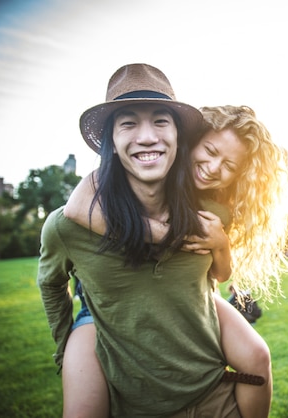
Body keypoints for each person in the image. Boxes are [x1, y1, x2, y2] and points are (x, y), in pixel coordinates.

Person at [38, 63, 242, 417]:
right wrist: (67, 343)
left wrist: (221, 245)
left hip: (212, 393)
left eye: (161, 121)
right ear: (112, 143)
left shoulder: (210, 216)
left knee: (259, 357)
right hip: (124, 390)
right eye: (128, 123)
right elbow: (51, 283)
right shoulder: (69, 224)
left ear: (179, 137)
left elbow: (215, 280)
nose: (147, 136)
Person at [61, 104, 288, 417]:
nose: (212, 167)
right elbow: (76, 209)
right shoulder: (152, 170)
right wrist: (162, 234)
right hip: (107, 301)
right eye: (209, 151)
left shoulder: (216, 205)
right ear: (191, 140)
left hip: (193, 292)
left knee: (257, 355)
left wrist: (221, 245)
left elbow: (221, 275)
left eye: (228, 166)